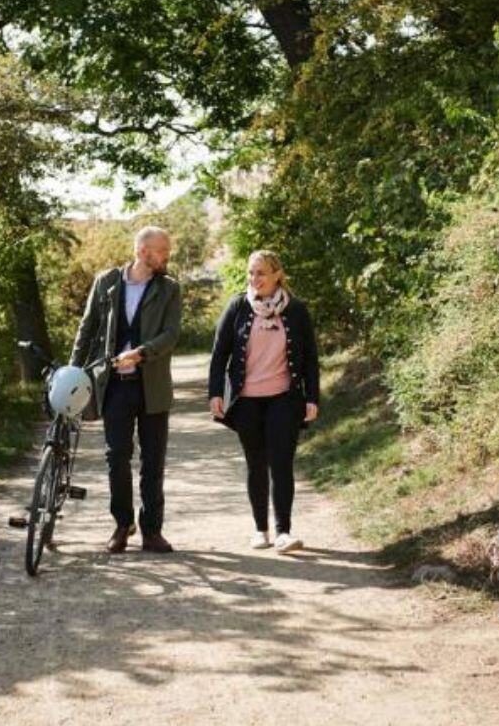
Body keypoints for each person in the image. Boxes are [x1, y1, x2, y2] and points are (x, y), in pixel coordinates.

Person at [70, 226, 182, 554]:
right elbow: (87, 328)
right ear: (143, 251)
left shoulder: (169, 288)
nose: (167, 256)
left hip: (153, 386)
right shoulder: (106, 282)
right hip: (115, 387)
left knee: (153, 461)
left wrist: (141, 353)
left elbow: (171, 334)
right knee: (116, 456)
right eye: (163, 250)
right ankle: (122, 524)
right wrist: (74, 370)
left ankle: (152, 531)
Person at [208, 250, 319, 554]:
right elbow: (219, 354)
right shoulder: (237, 306)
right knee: (256, 464)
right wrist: (215, 393)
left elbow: (310, 358)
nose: (254, 279)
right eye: (251, 273)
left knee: (282, 464)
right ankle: (261, 530)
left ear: (277, 275)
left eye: (261, 273)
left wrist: (312, 397)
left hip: (285, 398)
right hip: (247, 401)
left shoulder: (296, 309)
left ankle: (284, 532)